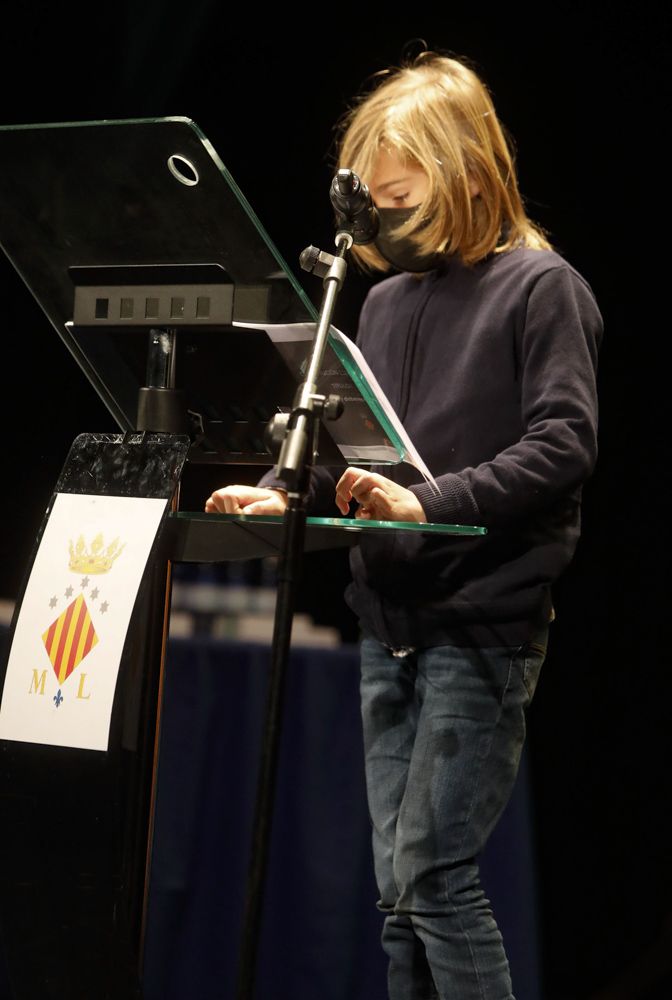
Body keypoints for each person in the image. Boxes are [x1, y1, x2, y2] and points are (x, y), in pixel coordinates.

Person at [205, 50, 603, 1000]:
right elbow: (353, 443)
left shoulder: (542, 288)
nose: (380, 206)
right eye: (374, 191)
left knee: (433, 876)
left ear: (467, 171)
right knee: (397, 894)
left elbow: (565, 444)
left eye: (401, 188)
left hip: (482, 631)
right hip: (390, 628)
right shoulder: (381, 301)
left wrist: (432, 501)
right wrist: (282, 489)